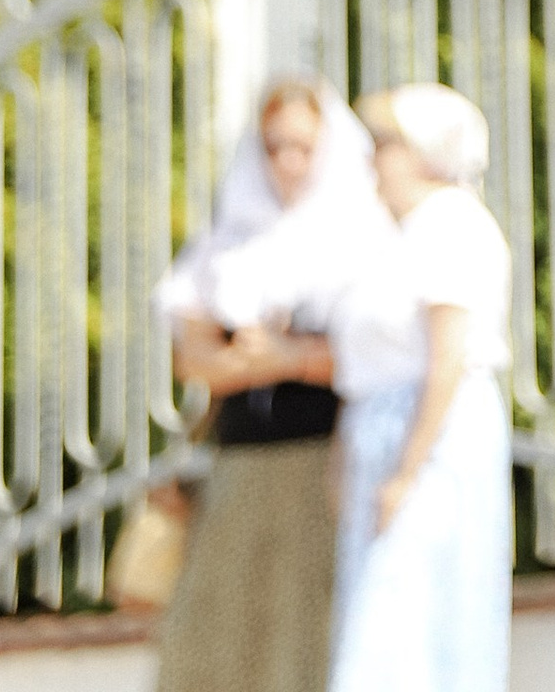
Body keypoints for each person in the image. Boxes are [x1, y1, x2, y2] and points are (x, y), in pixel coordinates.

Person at [151, 77, 387, 692]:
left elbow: (373, 358)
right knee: (219, 637)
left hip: (323, 463)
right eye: (274, 145)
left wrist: (283, 357)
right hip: (240, 464)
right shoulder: (235, 237)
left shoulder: (360, 235)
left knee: (303, 635)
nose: (288, 161)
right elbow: (193, 357)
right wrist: (269, 360)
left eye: (304, 147)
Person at [327, 86, 513, 692]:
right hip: (384, 436)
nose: (372, 158)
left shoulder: (451, 222)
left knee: (406, 622)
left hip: (432, 443)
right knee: (382, 622)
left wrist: (407, 470)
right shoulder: (392, 233)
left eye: (385, 144)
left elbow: (448, 358)